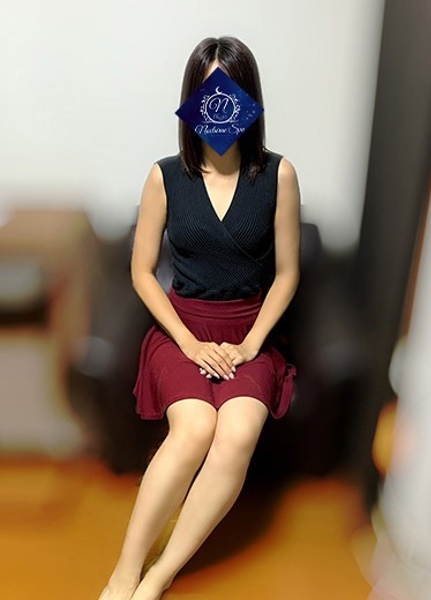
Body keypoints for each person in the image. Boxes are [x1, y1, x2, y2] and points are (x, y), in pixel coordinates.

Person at [99, 36, 301, 600]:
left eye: (230, 91)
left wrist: (251, 345)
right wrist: (188, 343)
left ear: (248, 99)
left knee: (236, 434)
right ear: (192, 99)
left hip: (248, 335)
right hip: (182, 331)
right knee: (194, 429)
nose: (219, 104)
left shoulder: (279, 175)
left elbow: (287, 274)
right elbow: (142, 272)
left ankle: (160, 575)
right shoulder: (164, 176)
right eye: (209, 91)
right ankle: (124, 573)